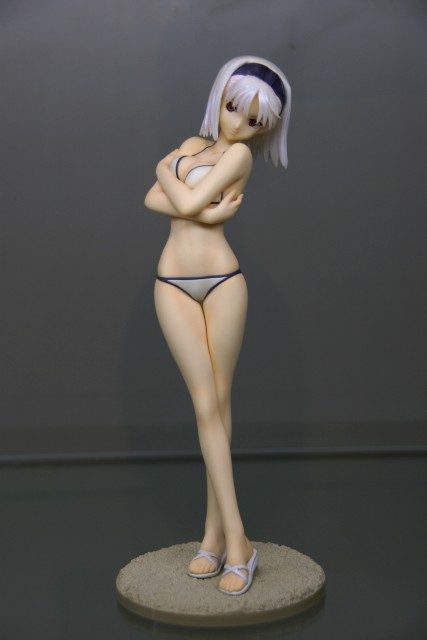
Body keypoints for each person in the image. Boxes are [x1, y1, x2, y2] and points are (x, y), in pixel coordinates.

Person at [144, 56, 291, 596]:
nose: (239, 124)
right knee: (207, 404)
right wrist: (208, 211)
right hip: (172, 283)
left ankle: (221, 539)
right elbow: (156, 199)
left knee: (218, 403)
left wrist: (167, 173)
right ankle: (235, 540)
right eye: (233, 108)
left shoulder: (237, 157)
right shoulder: (192, 146)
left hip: (223, 281)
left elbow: (174, 197)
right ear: (219, 98)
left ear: (265, 129)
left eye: (254, 121)